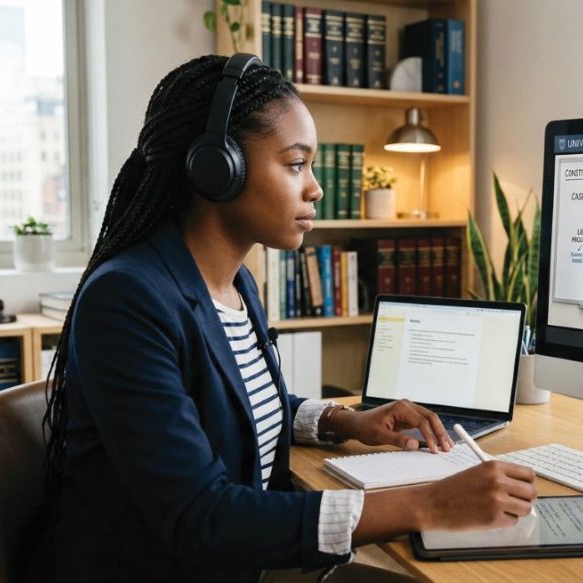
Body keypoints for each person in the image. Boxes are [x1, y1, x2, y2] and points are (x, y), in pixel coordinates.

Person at [26, 55, 537, 582]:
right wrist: (426, 503)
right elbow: (203, 518)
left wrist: (349, 422)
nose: (314, 187)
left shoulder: (233, 281)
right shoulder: (128, 300)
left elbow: (234, 406)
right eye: (296, 165)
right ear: (217, 168)